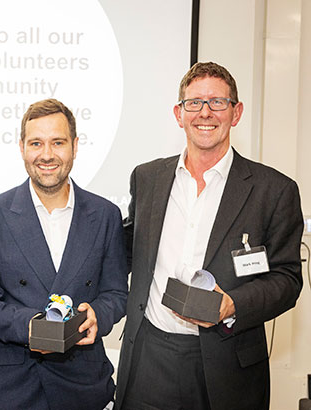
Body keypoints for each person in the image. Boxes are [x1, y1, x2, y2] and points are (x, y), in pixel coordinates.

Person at [115, 62, 303, 410]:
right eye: (194, 103)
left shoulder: (274, 190)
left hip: (228, 365)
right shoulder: (147, 178)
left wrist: (233, 304)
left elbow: (287, 280)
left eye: (218, 102)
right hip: (148, 359)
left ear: (236, 112)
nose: (205, 112)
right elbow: (123, 249)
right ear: (179, 113)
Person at [0, 98, 128, 410]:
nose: (47, 154)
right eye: (36, 143)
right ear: (22, 147)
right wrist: (32, 325)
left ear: (75, 146)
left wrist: (98, 316)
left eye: (58, 142)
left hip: (84, 384)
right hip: (12, 388)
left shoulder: (105, 214)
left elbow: (117, 293)